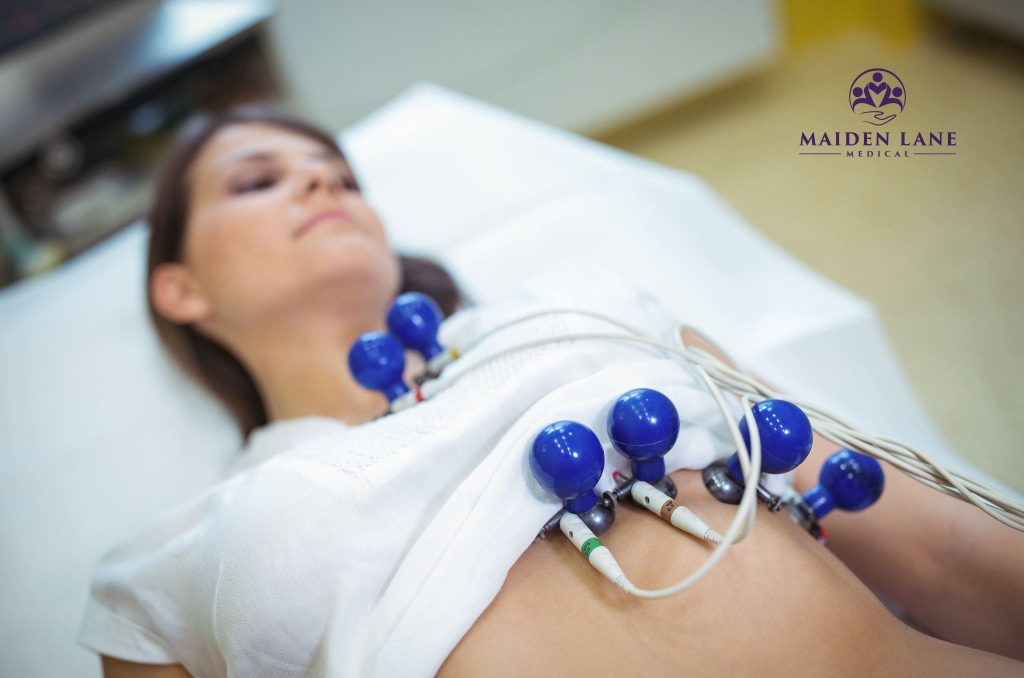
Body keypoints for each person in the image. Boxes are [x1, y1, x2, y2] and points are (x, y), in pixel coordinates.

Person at [82, 105, 1024, 677]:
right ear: (182, 290)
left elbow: (940, 552)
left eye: (340, 176)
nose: (321, 184)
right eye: (259, 180)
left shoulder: (581, 314)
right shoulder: (165, 566)